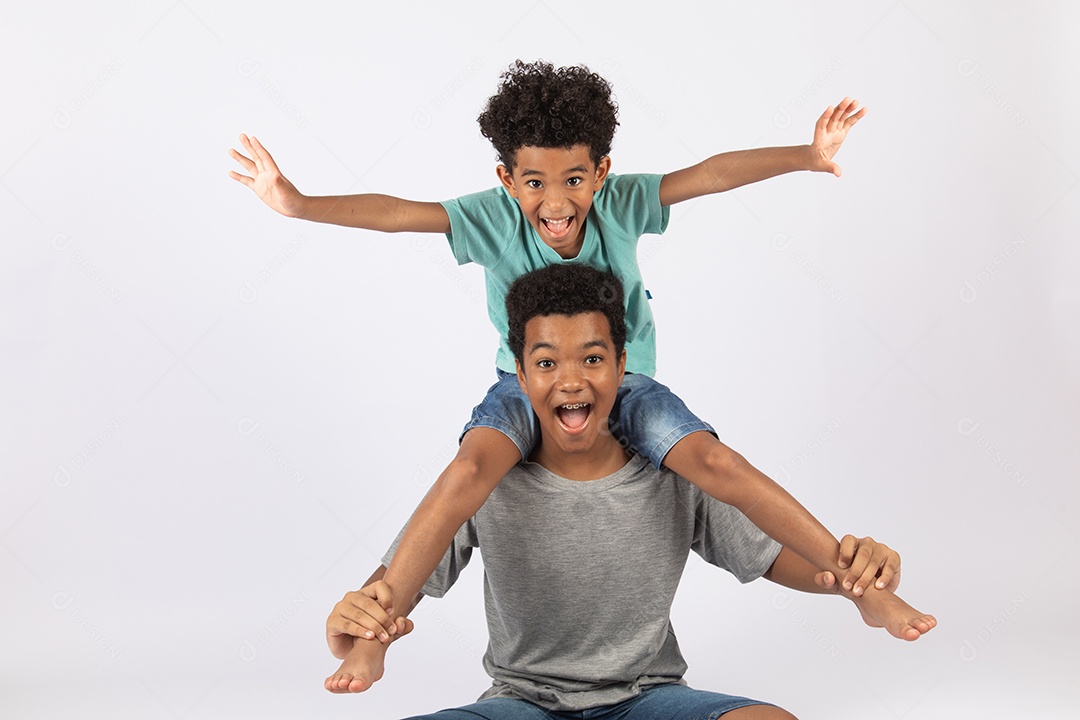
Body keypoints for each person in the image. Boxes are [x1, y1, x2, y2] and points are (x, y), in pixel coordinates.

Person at [229, 60, 892, 683]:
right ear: (507, 179)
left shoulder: (624, 204)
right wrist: (297, 204)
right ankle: (373, 634)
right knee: (468, 472)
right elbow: (398, 214)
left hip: (625, 385)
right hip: (524, 386)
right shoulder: (489, 220)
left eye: (574, 179)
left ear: (601, 171)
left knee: (714, 463)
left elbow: (711, 173)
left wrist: (805, 157)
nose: (555, 202)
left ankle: (856, 579)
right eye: (535, 183)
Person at [323, 263, 936, 718]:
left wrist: (856, 576)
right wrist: (361, 626)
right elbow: (398, 575)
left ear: (622, 366)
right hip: (522, 703)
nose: (570, 380)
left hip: (648, 699)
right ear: (519, 372)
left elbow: (775, 554)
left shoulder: (670, 473)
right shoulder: (488, 481)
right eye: (545, 363)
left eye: (592, 359)